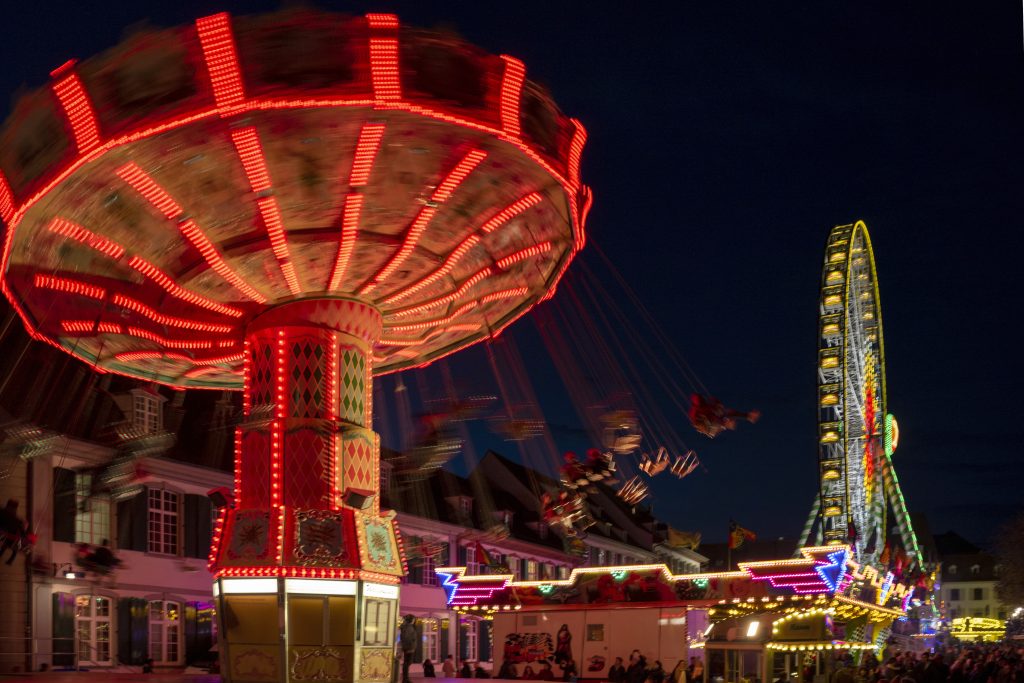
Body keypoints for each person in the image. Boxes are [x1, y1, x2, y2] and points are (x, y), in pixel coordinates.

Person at [399, 615, 418, 683]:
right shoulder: (409, 627)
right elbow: (407, 638)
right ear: (411, 620)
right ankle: (405, 679)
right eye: (413, 619)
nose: (414, 621)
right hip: (409, 648)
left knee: (406, 663)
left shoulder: (405, 627)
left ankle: (405, 678)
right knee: (407, 663)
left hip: (407, 647)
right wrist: (410, 647)